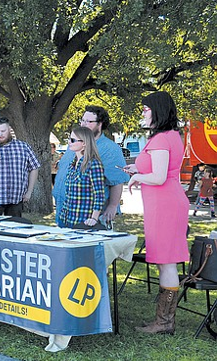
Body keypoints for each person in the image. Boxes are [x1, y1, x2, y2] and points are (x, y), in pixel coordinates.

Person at [124, 91, 189, 334]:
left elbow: (159, 176)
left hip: (165, 206)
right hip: (164, 203)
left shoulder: (162, 139)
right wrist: (137, 168)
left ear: (158, 110)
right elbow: (161, 171)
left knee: (166, 262)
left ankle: (163, 323)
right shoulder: (169, 136)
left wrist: (138, 176)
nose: (143, 111)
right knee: (165, 262)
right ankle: (164, 322)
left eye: (146, 108)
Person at [53, 105, 129, 226]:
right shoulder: (74, 144)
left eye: (89, 121)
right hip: (65, 212)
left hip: (86, 215)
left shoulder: (110, 149)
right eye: (82, 120)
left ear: (100, 124)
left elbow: (117, 180)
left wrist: (113, 205)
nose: (84, 124)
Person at [56, 127, 105, 228]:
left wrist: (94, 218)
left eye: (73, 140)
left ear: (85, 143)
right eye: (69, 139)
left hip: (83, 221)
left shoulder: (93, 164)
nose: (69, 142)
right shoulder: (72, 164)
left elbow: (99, 195)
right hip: (66, 219)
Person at [0, 117, 41, 217]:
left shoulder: (23, 147)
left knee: (14, 230)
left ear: (9, 130)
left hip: (16, 199)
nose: (0, 134)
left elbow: (34, 168)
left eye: (3, 131)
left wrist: (29, 192)